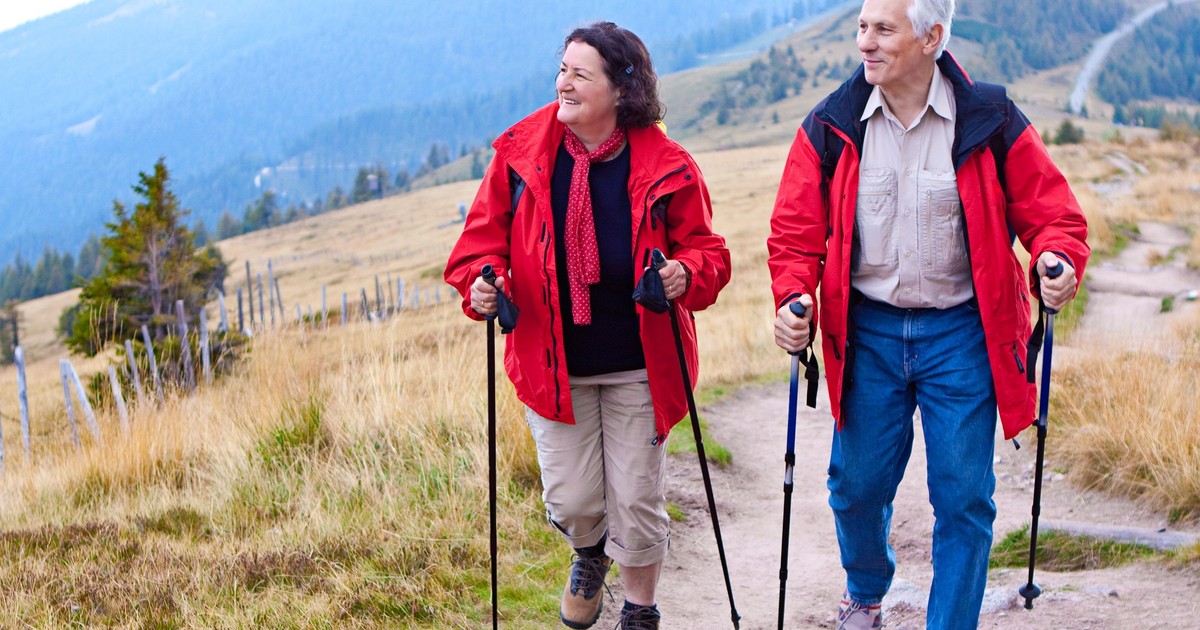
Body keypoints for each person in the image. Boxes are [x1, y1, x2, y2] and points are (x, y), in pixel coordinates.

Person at [766, 0, 1089, 628]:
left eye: (884, 29)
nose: (865, 42)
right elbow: (794, 233)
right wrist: (792, 296)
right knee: (855, 488)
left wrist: (1057, 258)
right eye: (861, 27)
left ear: (931, 37)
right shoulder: (832, 124)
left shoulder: (988, 118)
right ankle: (865, 589)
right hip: (869, 332)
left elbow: (1053, 214)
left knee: (965, 499)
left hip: (961, 334)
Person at [444, 22, 730, 630]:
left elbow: (709, 254)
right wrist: (485, 282)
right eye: (562, 68)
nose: (563, 83)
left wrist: (683, 275)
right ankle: (589, 551)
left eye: (580, 73)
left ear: (622, 90)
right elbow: (477, 249)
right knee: (574, 501)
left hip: (639, 361)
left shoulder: (668, 165)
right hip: (552, 364)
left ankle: (641, 611)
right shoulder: (521, 158)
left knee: (637, 498)